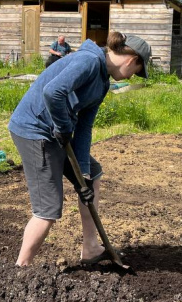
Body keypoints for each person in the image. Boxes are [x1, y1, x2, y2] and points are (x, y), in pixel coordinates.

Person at [8, 31, 151, 267]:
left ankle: (91, 248)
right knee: (48, 209)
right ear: (131, 60)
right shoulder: (89, 61)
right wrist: (63, 126)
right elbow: (52, 92)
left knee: (93, 174)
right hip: (34, 130)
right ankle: (21, 269)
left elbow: (84, 128)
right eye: (137, 70)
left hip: (53, 133)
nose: (135, 75)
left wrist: (82, 173)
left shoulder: (102, 82)